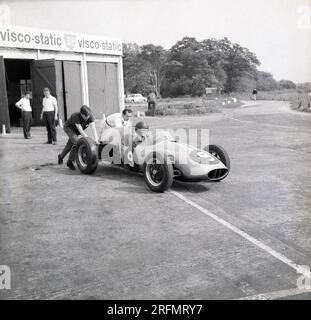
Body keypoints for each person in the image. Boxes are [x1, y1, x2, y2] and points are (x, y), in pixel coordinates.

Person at [58, 105, 99, 170]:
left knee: (69, 145)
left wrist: (96, 139)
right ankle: (70, 161)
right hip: (69, 128)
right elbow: (81, 131)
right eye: (85, 116)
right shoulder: (76, 116)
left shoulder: (89, 116)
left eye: (88, 116)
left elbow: (93, 128)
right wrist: (89, 141)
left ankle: (60, 156)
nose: (87, 117)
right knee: (76, 142)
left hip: (76, 131)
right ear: (81, 114)